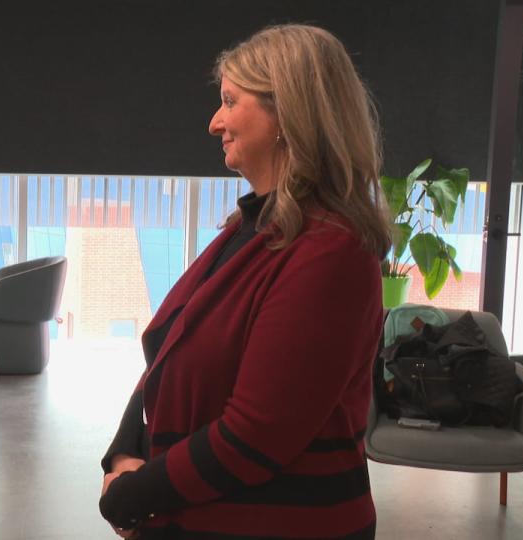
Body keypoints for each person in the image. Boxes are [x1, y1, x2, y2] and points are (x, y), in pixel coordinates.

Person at [98, 24, 392, 540]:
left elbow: (256, 435)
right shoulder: (253, 227)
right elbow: (171, 350)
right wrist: (123, 452)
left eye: (230, 101)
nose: (215, 123)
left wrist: (133, 494)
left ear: (288, 113)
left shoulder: (331, 249)